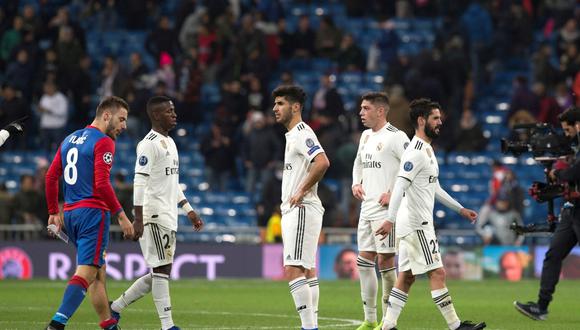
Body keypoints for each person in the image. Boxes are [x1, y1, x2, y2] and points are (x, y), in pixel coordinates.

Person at [375, 98, 486, 330]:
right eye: (435, 118)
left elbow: (434, 187)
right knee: (438, 272)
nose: (440, 122)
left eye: (440, 118)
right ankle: (456, 326)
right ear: (421, 120)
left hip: (412, 223)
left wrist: (460, 209)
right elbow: (400, 186)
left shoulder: (426, 150)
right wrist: (389, 219)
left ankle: (388, 326)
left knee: (406, 277)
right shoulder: (415, 152)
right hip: (417, 224)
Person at [110, 96, 203, 330]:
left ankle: (116, 307)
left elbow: (172, 183)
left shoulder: (170, 143)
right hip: (153, 215)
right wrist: (138, 218)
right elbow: (139, 182)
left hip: (169, 214)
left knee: (161, 270)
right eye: (169, 111)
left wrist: (188, 209)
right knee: (161, 269)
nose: (175, 114)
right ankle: (167, 325)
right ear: (156, 115)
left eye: (174, 110)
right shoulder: (148, 144)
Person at [44, 96, 135, 330]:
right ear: (107, 115)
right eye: (121, 119)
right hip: (93, 214)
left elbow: (51, 176)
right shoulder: (103, 141)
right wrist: (122, 216)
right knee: (87, 272)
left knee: (97, 272)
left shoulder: (69, 139)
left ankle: (108, 324)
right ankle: (57, 324)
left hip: (71, 214)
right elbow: (102, 184)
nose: (124, 125)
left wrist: (54, 211)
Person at [272, 85, 330, 330]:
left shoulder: (302, 132)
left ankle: (309, 327)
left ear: (295, 107)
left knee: (293, 269)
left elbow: (322, 162)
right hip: (300, 210)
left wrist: (300, 190)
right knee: (306, 269)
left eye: (281, 103)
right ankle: (311, 324)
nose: (275, 108)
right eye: (275, 104)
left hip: (302, 208)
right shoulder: (293, 134)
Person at [514, 106, 580, 321]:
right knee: (553, 255)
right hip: (572, 210)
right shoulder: (575, 147)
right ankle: (541, 307)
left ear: (577, 125)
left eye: (567, 129)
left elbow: (575, 172)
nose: (566, 133)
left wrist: (558, 172)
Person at [351, 92, 410, 330]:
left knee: (386, 261)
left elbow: (412, 169)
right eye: (361, 108)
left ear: (380, 111)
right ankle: (370, 319)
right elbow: (358, 163)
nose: (361, 113)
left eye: (365, 108)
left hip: (386, 211)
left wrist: (394, 192)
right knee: (364, 261)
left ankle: (388, 321)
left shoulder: (397, 137)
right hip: (366, 208)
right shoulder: (365, 136)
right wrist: (356, 182)